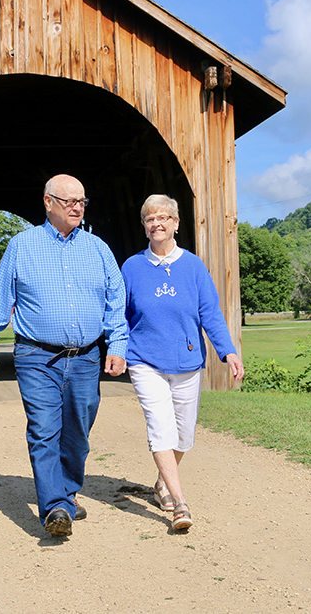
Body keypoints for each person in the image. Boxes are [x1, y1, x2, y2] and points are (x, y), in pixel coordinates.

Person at [0, 174, 128, 537]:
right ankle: (55, 507)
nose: (77, 207)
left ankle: (68, 491)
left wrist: (118, 345)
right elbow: (1, 295)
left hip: (87, 357)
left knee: (78, 431)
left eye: (82, 202)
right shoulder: (22, 246)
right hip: (36, 357)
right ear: (48, 202)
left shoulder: (98, 249)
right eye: (69, 201)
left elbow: (116, 302)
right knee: (44, 430)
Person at [121, 194, 244, 531]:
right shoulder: (132, 267)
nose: (157, 224)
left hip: (187, 360)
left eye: (163, 218)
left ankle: (162, 481)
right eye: (150, 219)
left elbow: (211, 313)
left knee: (184, 435)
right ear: (144, 226)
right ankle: (179, 502)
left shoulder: (193, 266)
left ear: (176, 223)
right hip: (145, 359)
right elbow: (120, 315)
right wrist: (118, 350)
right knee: (160, 427)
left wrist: (228, 351)